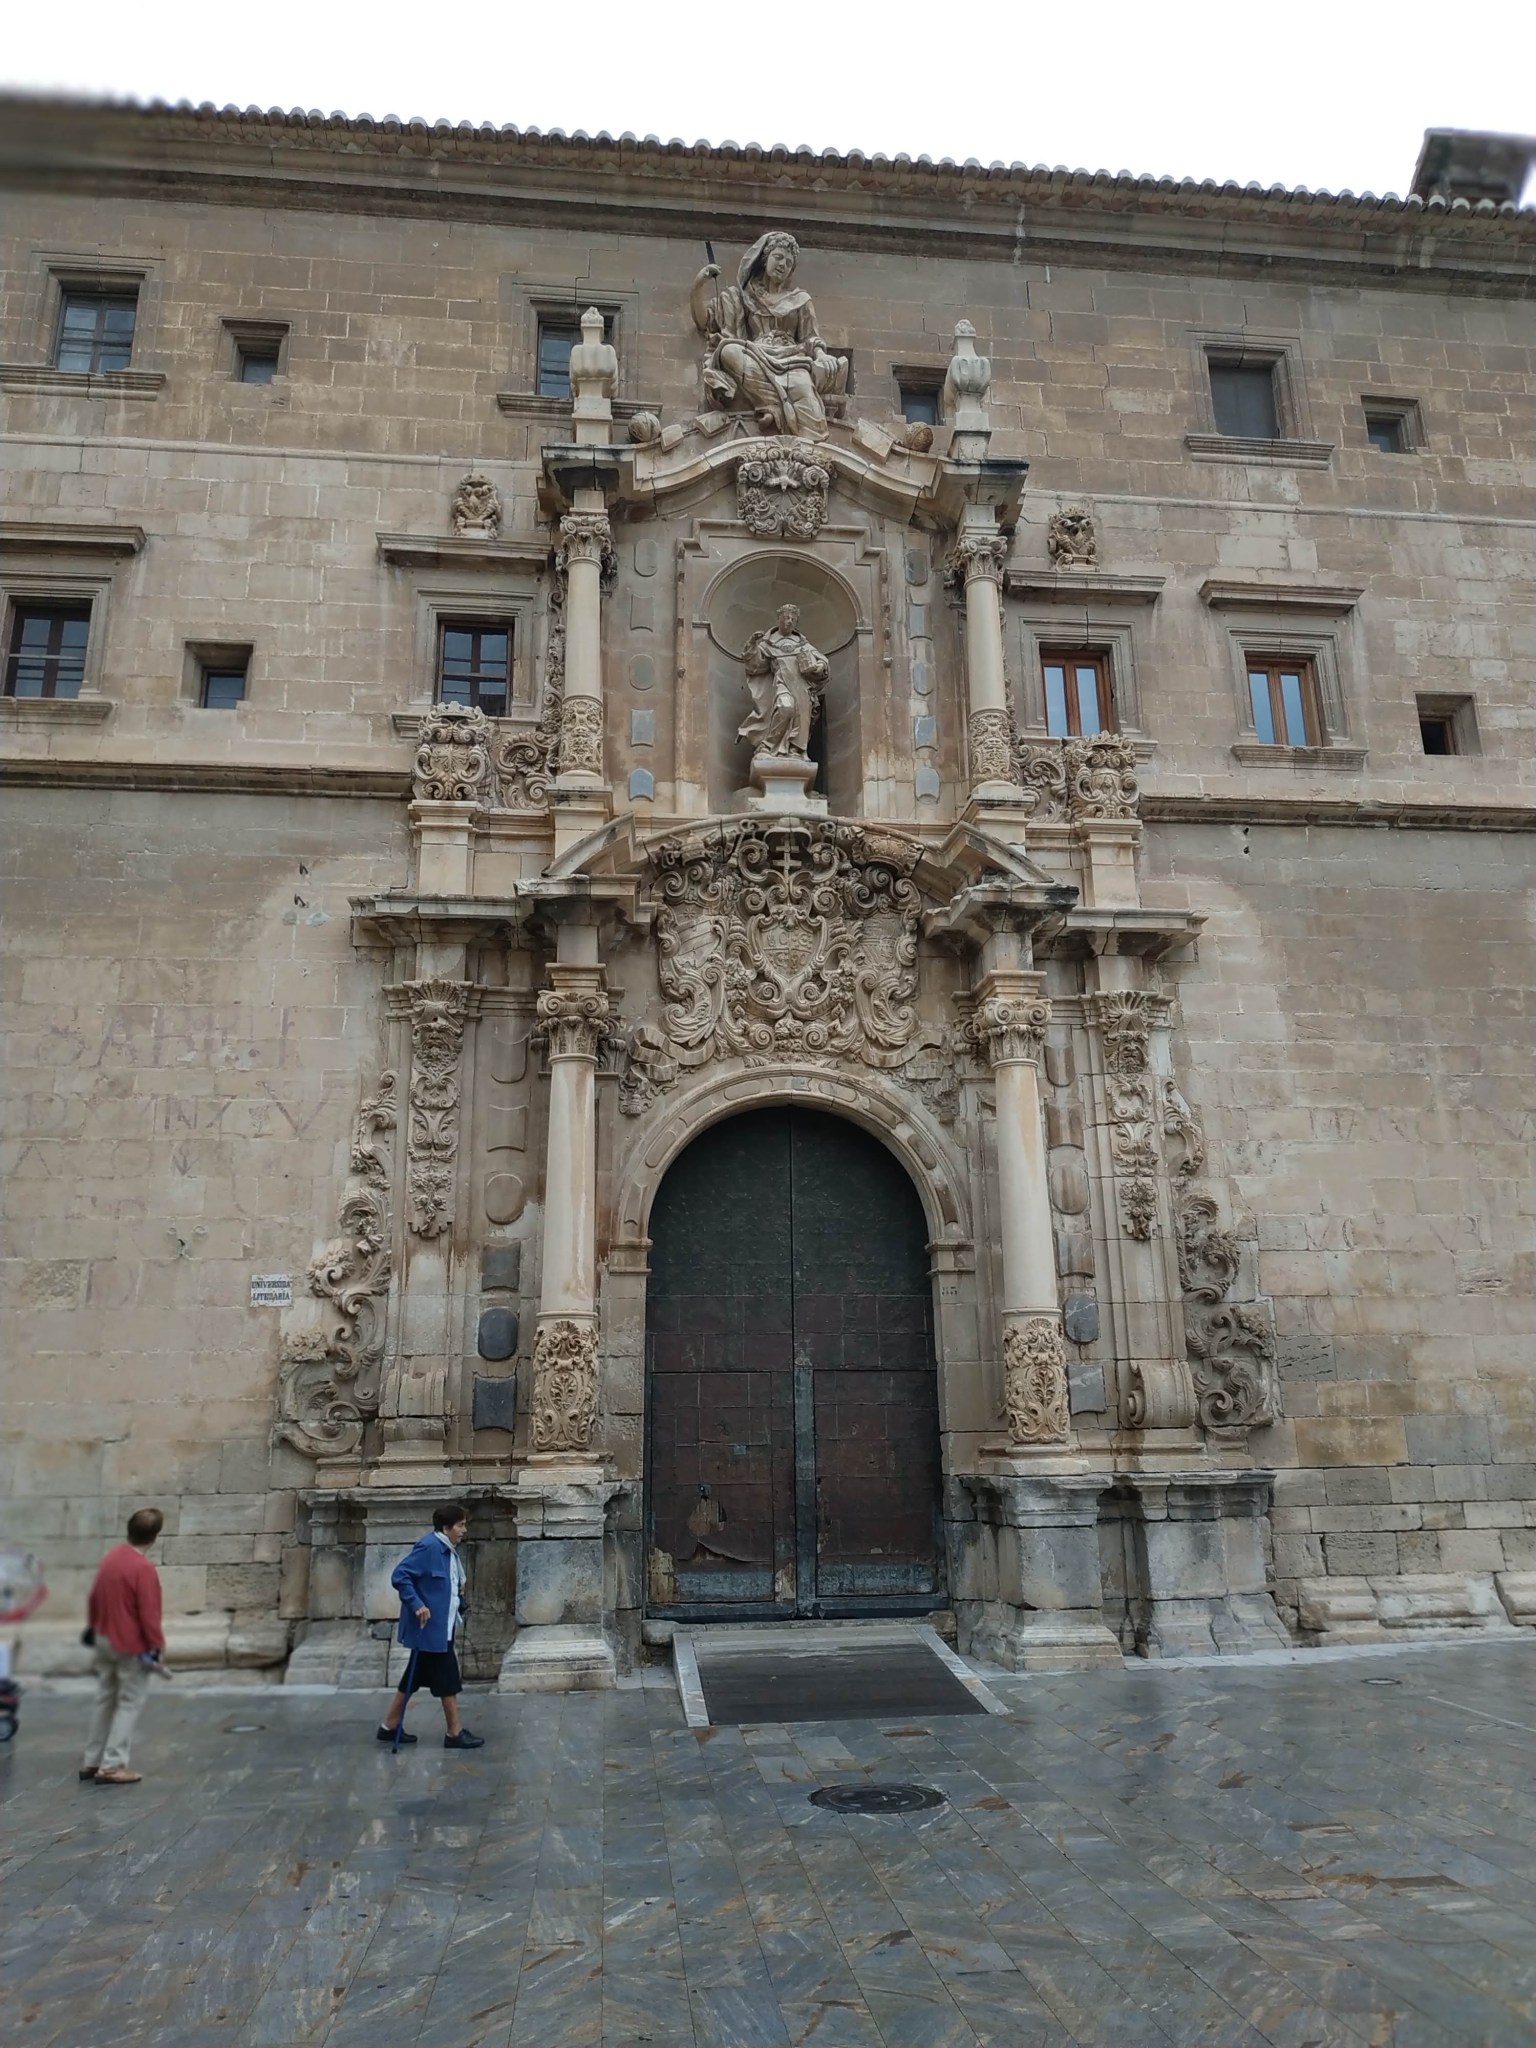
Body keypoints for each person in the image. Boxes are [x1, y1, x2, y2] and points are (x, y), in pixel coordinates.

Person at [376, 1502, 483, 1750]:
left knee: (412, 1680)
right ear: (446, 1528)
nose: (464, 1530)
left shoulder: (447, 1550)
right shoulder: (429, 1547)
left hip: (438, 1629)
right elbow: (400, 1576)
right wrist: (417, 1604)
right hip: (430, 1630)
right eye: (460, 1525)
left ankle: (389, 1727)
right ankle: (454, 1733)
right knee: (448, 1679)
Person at [80, 1507, 171, 1785]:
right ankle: (112, 1765)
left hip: (105, 1638)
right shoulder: (143, 1568)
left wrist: (94, 1627)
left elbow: (95, 1597)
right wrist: (156, 1646)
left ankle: (92, 1761)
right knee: (129, 1702)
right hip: (131, 1645)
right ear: (155, 1536)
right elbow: (149, 1615)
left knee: (105, 1698)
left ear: (129, 1529)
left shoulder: (112, 1557)